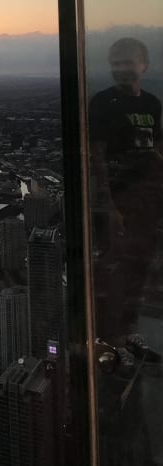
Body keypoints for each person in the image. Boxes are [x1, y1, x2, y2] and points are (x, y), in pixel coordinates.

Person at [91, 37, 163, 345]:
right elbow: (96, 156)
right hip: (119, 198)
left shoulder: (152, 104)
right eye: (115, 64)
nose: (120, 69)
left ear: (143, 65)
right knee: (114, 268)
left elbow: (155, 149)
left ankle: (129, 332)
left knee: (141, 265)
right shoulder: (102, 103)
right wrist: (109, 205)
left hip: (148, 195)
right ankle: (108, 339)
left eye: (127, 62)